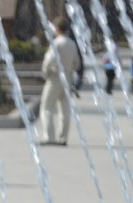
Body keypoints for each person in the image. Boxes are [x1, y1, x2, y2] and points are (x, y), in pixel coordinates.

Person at [36, 17, 81, 146]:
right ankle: (63, 138)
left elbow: (48, 60)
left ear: (57, 28)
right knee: (65, 110)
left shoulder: (56, 43)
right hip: (68, 78)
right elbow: (77, 64)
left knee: (47, 108)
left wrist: (45, 73)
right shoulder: (72, 44)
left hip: (55, 77)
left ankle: (49, 137)